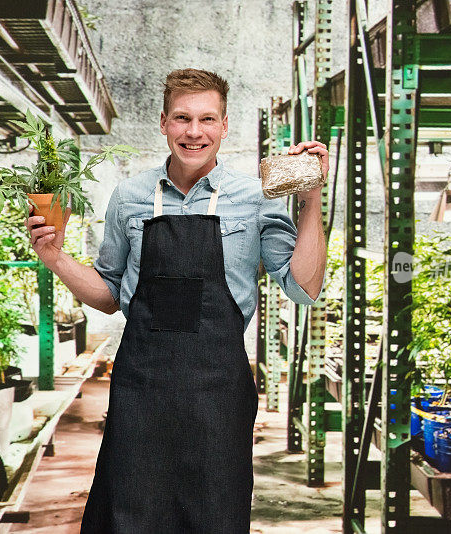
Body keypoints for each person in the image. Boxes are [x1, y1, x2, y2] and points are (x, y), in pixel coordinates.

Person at [26, 68, 328, 533]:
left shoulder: (256, 198)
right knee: (133, 512)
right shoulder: (129, 196)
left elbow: (302, 288)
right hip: (141, 388)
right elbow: (108, 297)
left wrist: (310, 203)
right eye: (182, 118)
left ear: (224, 126)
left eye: (207, 119)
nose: (194, 131)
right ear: (164, 122)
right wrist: (54, 257)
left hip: (218, 392)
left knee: (214, 515)